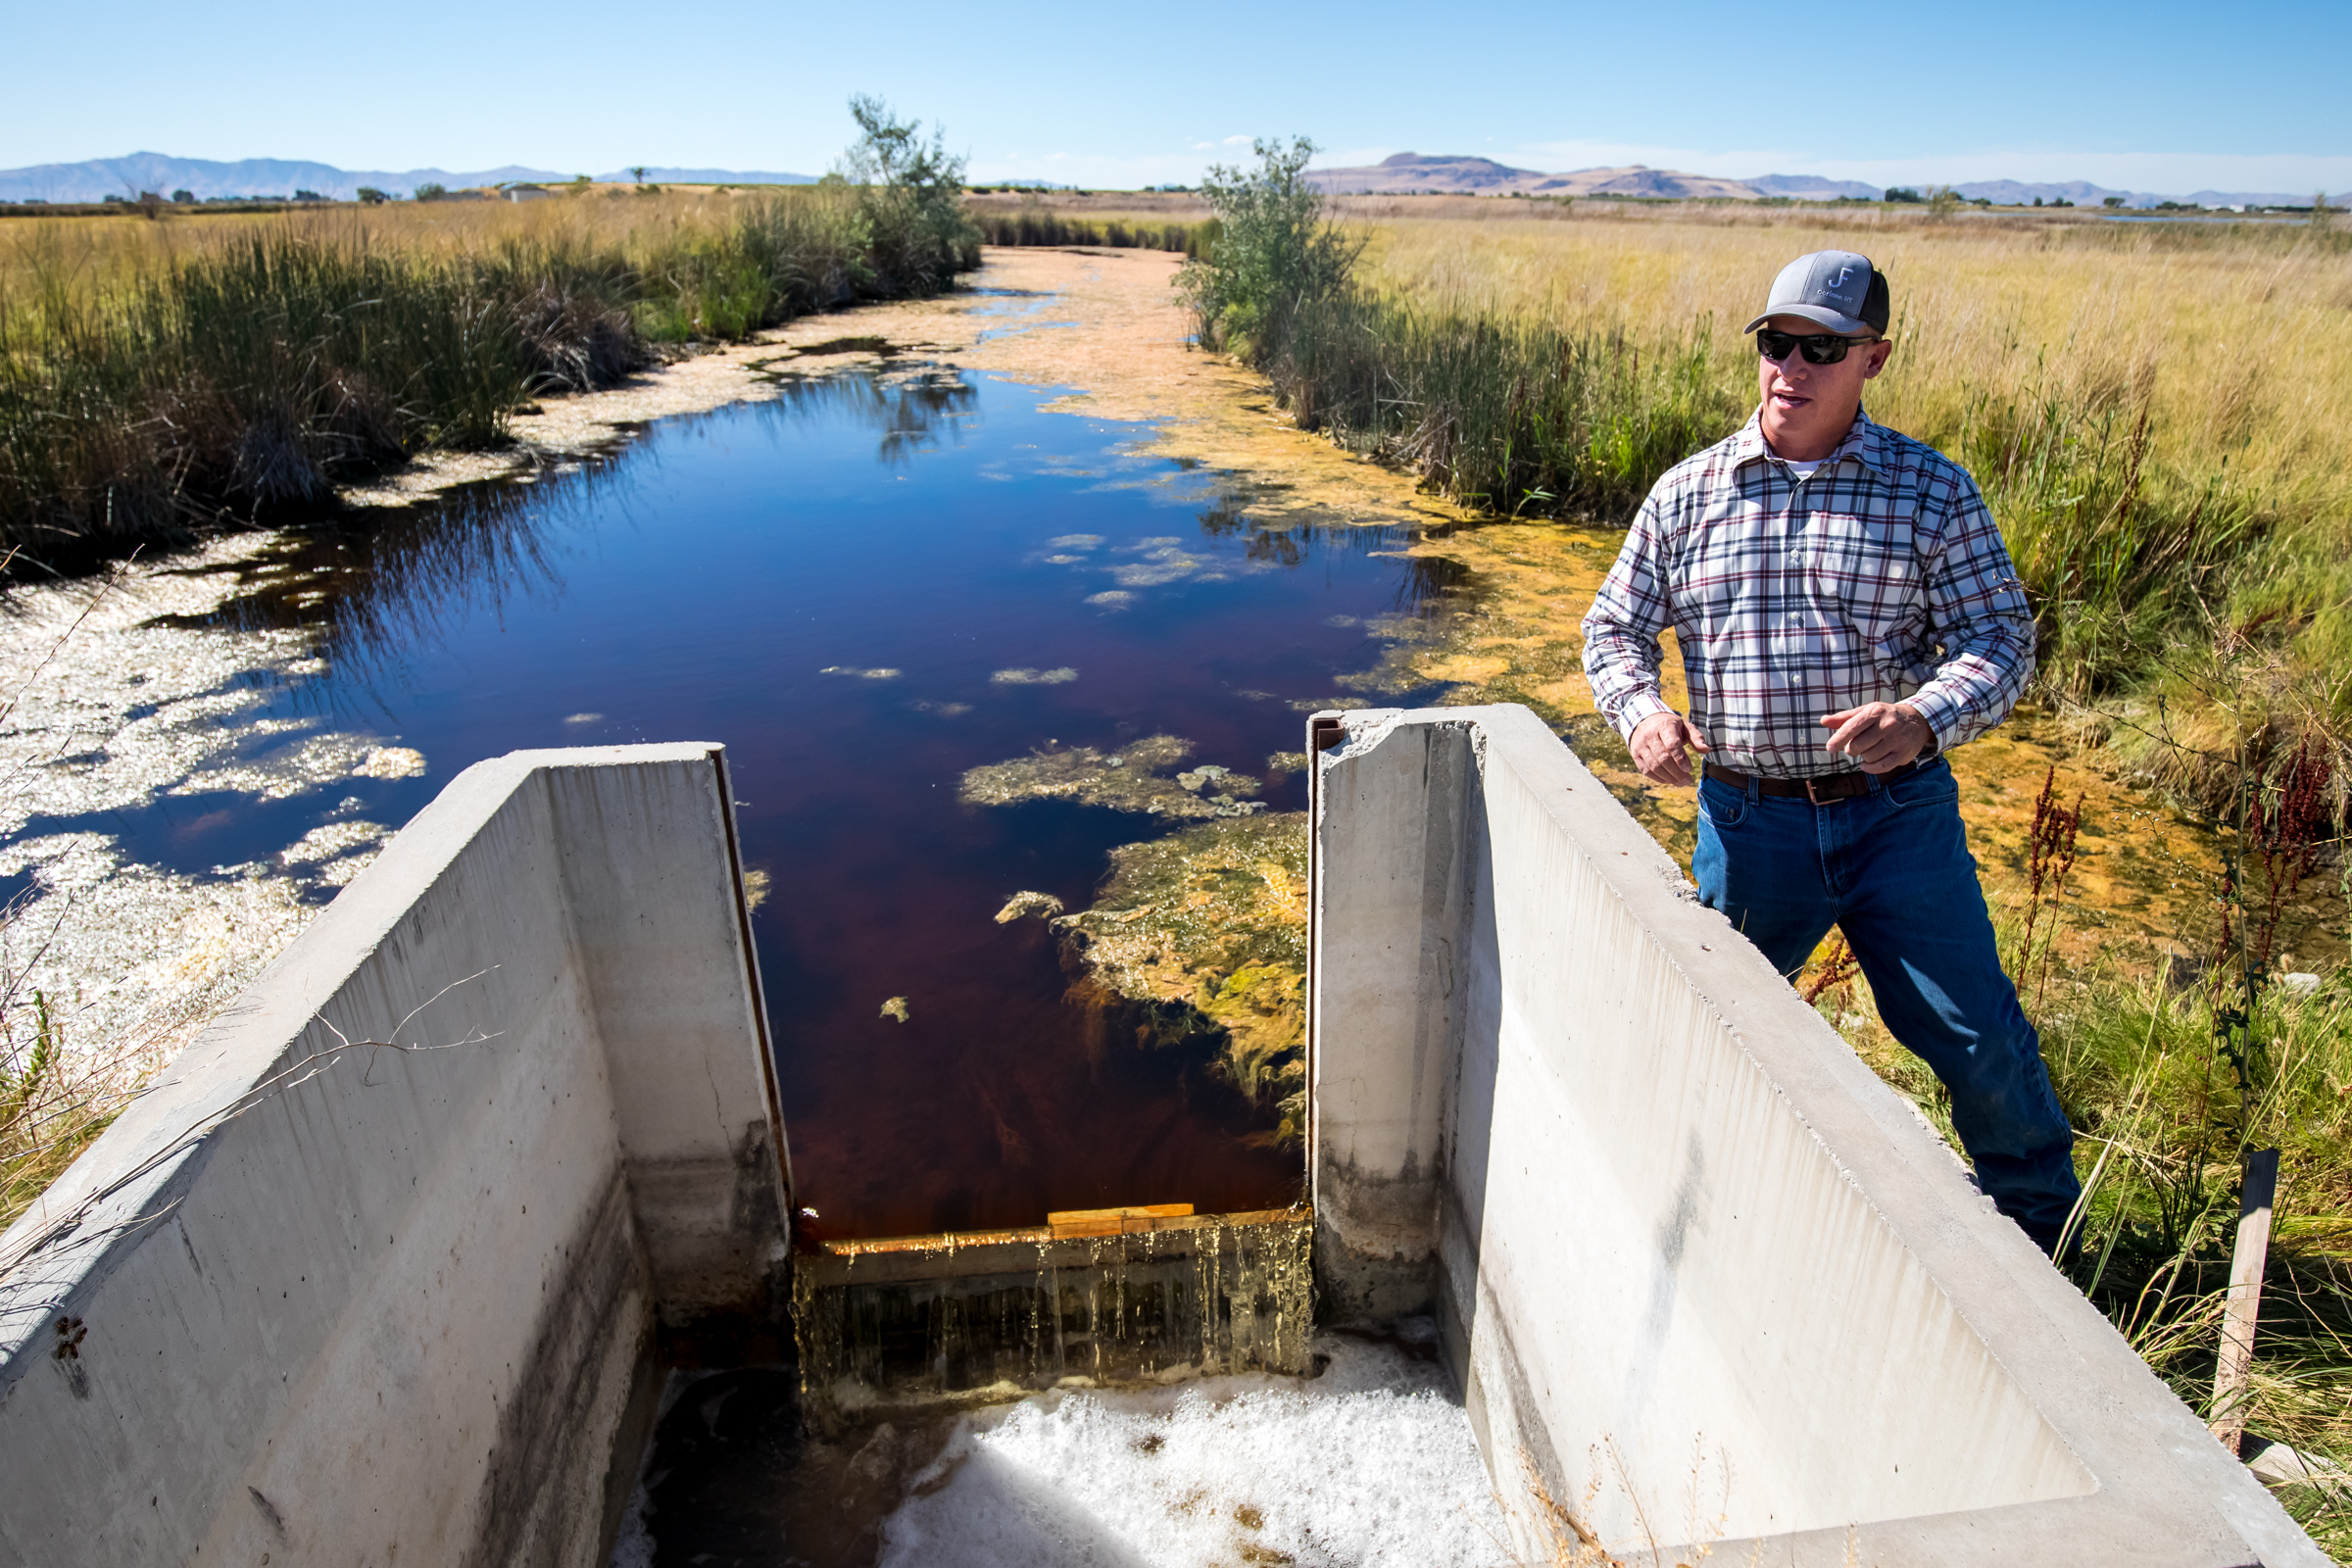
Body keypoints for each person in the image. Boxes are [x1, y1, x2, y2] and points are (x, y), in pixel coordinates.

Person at [1579, 249, 2082, 1258]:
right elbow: (1613, 628)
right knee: (1715, 1044)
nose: (1790, 367)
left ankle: (2051, 1254)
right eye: (1775, 342)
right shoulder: (1689, 495)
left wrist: (1927, 717)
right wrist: (1641, 713)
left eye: (1821, 347)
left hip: (1898, 820)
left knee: (1977, 1038)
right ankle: (1688, 1233)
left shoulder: (1930, 492)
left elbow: (2001, 637)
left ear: (1873, 358)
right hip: (1748, 823)